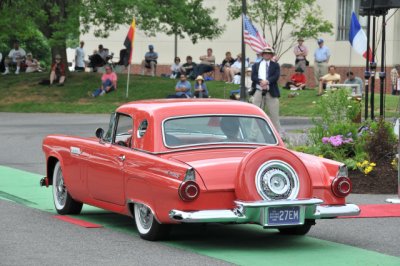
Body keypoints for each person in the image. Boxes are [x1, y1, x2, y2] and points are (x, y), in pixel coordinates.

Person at [251, 47, 282, 133]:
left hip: (271, 92)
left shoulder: (275, 65)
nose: (267, 55)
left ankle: (278, 135)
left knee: (274, 115)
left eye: (269, 53)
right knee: (256, 114)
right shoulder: (256, 65)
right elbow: (253, 76)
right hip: (259, 91)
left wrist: (267, 82)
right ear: (262, 54)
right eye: (265, 53)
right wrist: (260, 81)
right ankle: (254, 135)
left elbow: (276, 76)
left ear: (271, 55)